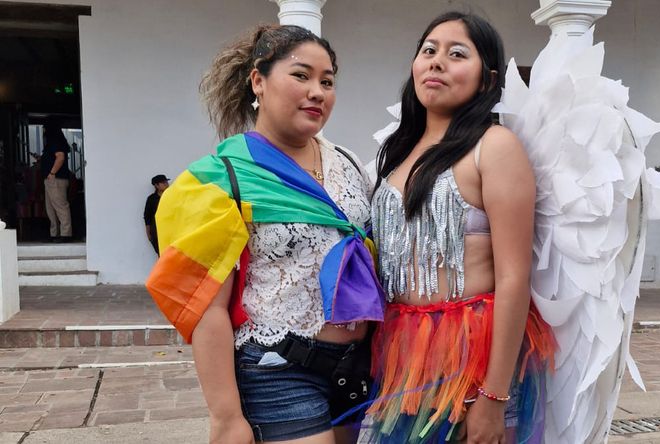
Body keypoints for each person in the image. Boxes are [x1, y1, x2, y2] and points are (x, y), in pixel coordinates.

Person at [146, 24, 383, 444]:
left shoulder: (347, 162)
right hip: (279, 369)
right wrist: (225, 417)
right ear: (259, 80)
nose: (317, 91)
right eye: (301, 75)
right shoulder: (225, 177)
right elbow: (207, 307)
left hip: (358, 367)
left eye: (327, 81)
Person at [365, 12, 556, 443]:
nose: (436, 62)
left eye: (456, 54)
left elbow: (513, 277)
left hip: (472, 357)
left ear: (487, 80)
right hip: (402, 354)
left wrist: (493, 395)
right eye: (428, 51)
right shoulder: (396, 152)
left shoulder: (494, 147)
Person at [40, 121, 72, 242]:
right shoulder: (55, 141)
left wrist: (52, 173)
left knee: (60, 207)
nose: (44, 132)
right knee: (51, 208)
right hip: (52, 179)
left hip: (56, 179)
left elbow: (60, 157)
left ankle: (66, 234)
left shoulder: (55, 141)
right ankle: (55, 234)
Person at [143, 174, 169, 255]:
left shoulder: (171, 196)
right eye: (163, 183)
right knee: (161, 254)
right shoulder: (151, 199)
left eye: (166, 182)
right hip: (157, 230)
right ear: (156, 185)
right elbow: (147, 216)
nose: (166, 184)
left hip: (171, 228)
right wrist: (148, 232)